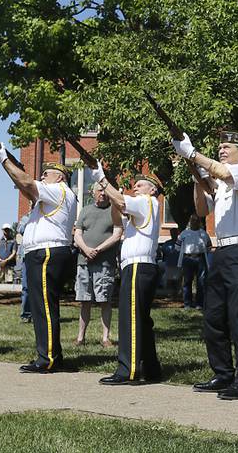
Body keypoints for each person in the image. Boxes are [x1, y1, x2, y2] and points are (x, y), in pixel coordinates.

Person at [174, 130, 238, 400]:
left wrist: (192, 153)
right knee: (213, 315)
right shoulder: (223, 183)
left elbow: (223, 173)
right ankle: (222, 372)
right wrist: (194, 171)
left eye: (227, 146)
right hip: (223, 248)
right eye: (219, 147)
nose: (222, 150)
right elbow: (203, 210)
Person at [0, 143, 77, 373]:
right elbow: (26, 187)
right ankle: (51, 354)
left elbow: (28, 183)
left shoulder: (58, 190)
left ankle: (47, 357)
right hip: (45, 252)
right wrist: (7, 164)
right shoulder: (57, 194)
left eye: (45, 174)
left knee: (43, 308)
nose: (41, 177)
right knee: (43, 307)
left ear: (59, 177)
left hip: (46, 252)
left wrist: (3, 160)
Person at [91, 165, 163, 385]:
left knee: (130, 319)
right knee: (141, 319)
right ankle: (151, 368)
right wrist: (114, 196)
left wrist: (104, 182)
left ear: (152, 190)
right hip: (138, 267)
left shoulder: (145, 202)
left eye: (140, 185)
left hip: (137, 266)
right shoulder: (142, 206)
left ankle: (128, 369)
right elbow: (117, 217)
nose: (135, 187)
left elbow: (122, 203)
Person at [73, 183, 123, 347]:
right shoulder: (85, 210)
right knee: (84, 301)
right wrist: (86, 250)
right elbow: (77, 234)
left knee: (104, 301)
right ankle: (80, 338)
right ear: (92, 193)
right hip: (84, 262)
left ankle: (105, 338)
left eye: (105, 190)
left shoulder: (114, 210)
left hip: (104, 264)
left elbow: (117, 235)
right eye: (99, 190)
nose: (103, 193)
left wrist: (97, 250)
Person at [176, 214, 212, 309]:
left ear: (199, 222)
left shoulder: (203, 234)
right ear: (190, 221)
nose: (194, 222)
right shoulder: (184, 233)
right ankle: (187, 304)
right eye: (193, 220)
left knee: (200, 282)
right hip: (187, 259)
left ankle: (199, 304)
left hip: (200, 259)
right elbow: (177, 247)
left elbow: (209, 247)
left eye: (196, 221)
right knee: (187, 281)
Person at [15, 212, 32, 323]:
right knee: (26, 287)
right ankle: (25, 314)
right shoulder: (26, 218)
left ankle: (37, 315)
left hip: (41, 255)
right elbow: (20, 229)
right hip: (27, 256)